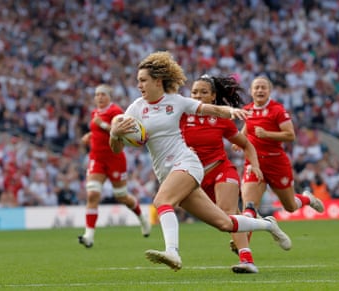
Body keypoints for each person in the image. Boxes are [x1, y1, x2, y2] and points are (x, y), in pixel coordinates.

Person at [109, 51, 292, 271]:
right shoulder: (136, 108)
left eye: (143, 80)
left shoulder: (176, 101)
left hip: (187, 163)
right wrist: (114, 134)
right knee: (224, 223)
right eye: (138, 81)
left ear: (157, 81)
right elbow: (117, 148)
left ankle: (172, 253)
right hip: (167, 173)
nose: (139, 85)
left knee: (162, 201)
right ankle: (268, 225)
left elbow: (209, 109)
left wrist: (230, 111)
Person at [180, 75, 263, 273]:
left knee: (228, 211)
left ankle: (247, 260)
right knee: (223, 224)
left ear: (213, 96)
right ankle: (251, 216)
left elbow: (246, 144)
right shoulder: (180, 116)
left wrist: (256, 166)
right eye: (194, 92)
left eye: (203, 92)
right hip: (196, 178)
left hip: (221, 169)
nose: (198, 96)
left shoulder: (221, 119)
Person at [232, 76, 324, 252]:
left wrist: (267, 134)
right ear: (251, 91)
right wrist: (240, 139)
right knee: (249, 206)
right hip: (254, 163)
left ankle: (307, 198)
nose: (259, 90)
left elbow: (290, 135)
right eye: (256, 87)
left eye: (263, 87)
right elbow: (248, 128)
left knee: (289, 206)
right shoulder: (247, 109)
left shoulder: (278, 110)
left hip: (276, 163)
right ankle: (244, 250)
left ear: (269, 91)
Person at [78, 84, 151, 248]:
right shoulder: (95, 112)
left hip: (115, 159)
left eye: (103, 94)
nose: (99, 98)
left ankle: (142, 218)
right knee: (92, 195)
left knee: (121, 196)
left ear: (109, 96)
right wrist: (90, 135)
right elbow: (97, 130)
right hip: (96, 158)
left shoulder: (115, 111)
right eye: (97, 95)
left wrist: (102, 125)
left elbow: (122, 131)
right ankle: (88, 235)